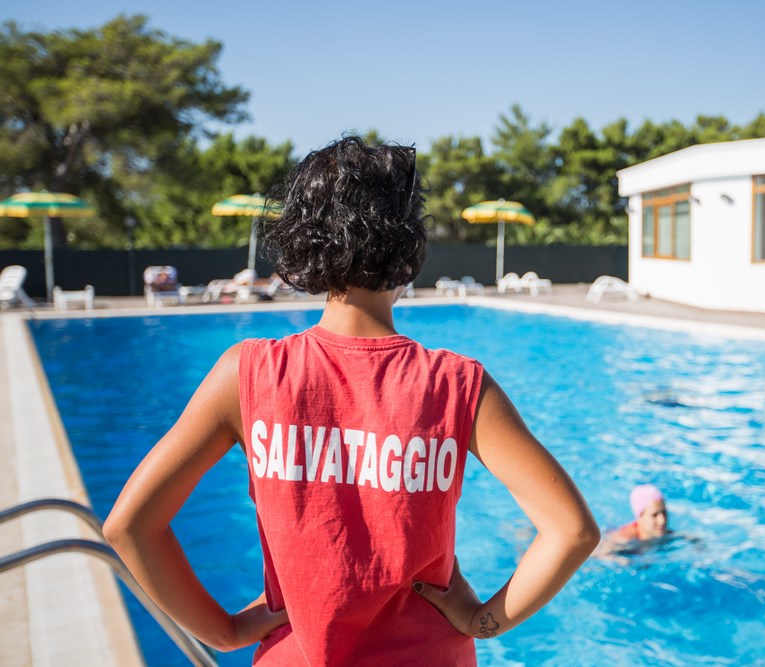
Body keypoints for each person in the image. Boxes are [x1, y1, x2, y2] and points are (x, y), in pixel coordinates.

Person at [103, 136, 599, 666]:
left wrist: (224, 632)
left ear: (304, 243)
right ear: (409, 248)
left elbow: (128, 527)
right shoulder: (457, 385)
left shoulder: (247, 374)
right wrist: (483, 620)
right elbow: (572, 531)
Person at [596, 485, 669, 556]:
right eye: (654, 515)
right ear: (640, 517)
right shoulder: (624, 539)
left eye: (664, 513)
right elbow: (593, 553)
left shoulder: (667, 534)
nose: (662, 520)